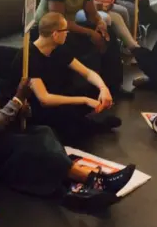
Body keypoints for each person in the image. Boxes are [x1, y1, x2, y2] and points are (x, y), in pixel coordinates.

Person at [0, 29, 135, 209]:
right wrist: (17, 100)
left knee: (44, 132)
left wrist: (19, 109)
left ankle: (79, 179)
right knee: (30, 147)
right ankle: (91, 179)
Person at [35, 0, 128, 97]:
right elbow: (58, 20)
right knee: (83, 43)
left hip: (67, 28)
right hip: (48, 31)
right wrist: (90, 33)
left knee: (109, 36)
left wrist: (99, 23)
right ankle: (85, 90)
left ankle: (113, 86)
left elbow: (91, 13)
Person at [26, 13, 122, 142]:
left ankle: (86, 121)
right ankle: (90, 125)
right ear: (55, 34)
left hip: (57, 92)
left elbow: (87, 73)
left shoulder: (58, 49)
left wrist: (103, 88)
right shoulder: (30, 56)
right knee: (69, 119)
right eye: (65, 30)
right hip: (37, 107)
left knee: (89, 91)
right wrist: (84, 100)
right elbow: (44, 99)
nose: (67, 33)